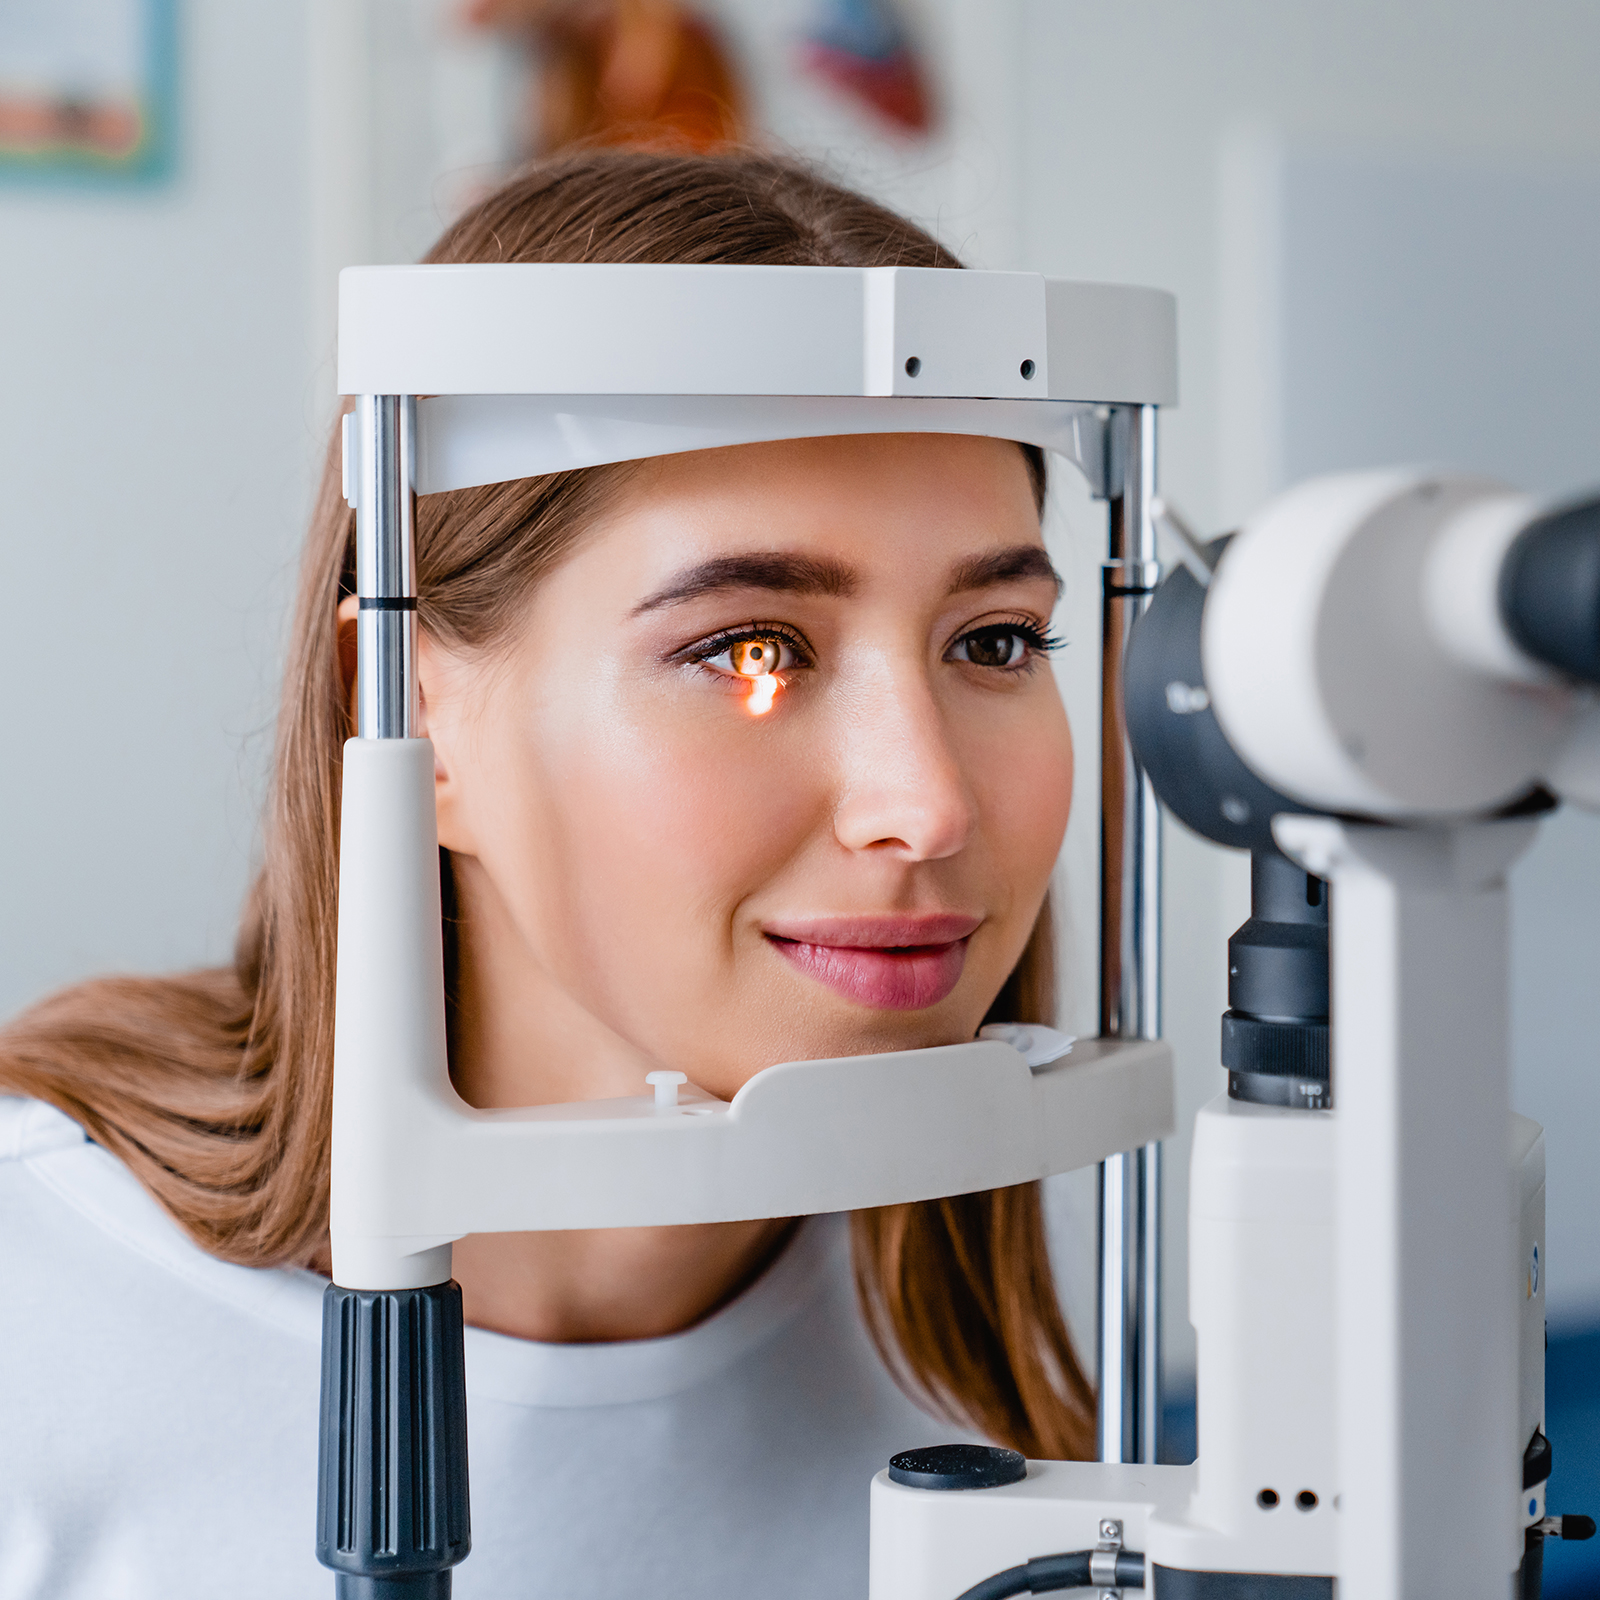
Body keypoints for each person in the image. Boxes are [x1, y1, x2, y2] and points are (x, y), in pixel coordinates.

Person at [0, 149, 1093, 1599]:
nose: (928, 805)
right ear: (414, 717)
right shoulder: (42, 1322)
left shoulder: (1011, 1324)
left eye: (996, 641)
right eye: (751, 650)